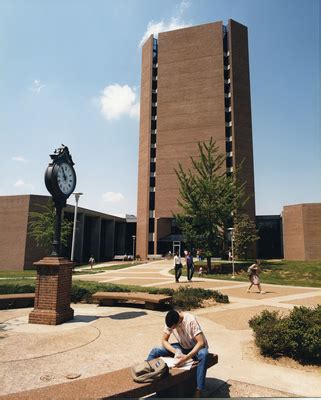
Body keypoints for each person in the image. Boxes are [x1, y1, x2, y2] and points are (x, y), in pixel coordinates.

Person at [147, 309, 209, 397]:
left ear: (179, 321)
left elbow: (201, 342)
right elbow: (164, 341)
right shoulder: (171, 320)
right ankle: (146, 374)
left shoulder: (190, 320)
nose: (172, 329)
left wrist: (186, 358)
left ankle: (199, 390)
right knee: (155, 351)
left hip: (197, 349)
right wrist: (176, 352)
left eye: (173, 328)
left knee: (204, 354)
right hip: (183, 347)